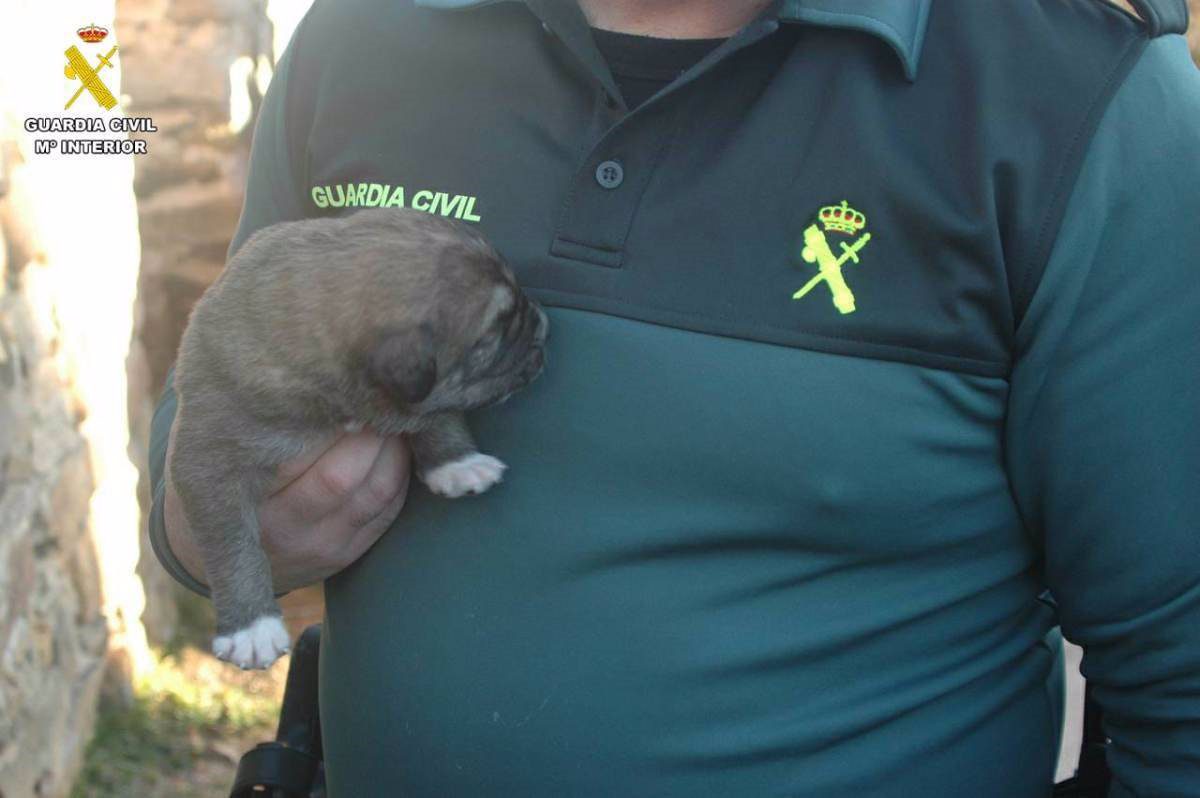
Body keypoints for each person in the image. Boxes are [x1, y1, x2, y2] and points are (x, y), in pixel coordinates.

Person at [148, 0, 1200, 794]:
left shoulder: (1075, 99)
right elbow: (208, 410)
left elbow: (1181, 673)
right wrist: (212, 537)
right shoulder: (365, 36)